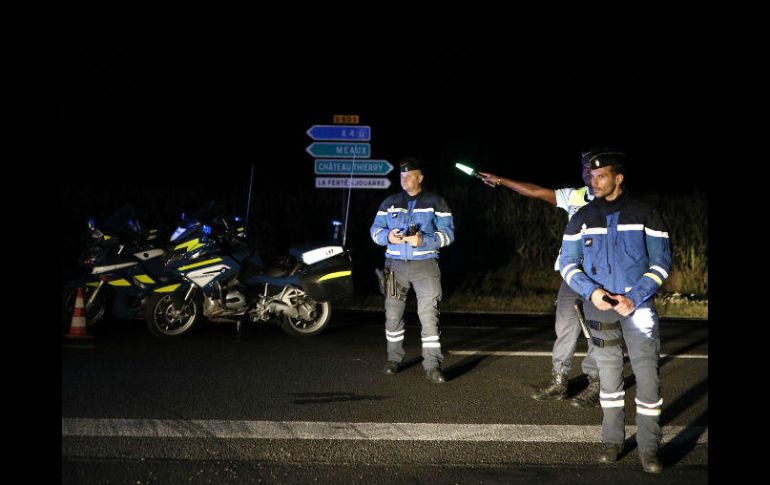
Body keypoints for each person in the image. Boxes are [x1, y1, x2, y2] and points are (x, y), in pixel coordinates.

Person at [559, 149, 671, 473]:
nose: (594, 181)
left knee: (648, 377)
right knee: (609, 378)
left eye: (601, 176)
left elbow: (661, 263)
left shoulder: (646, 213)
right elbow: (568, 263)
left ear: (618, 178)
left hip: (638, 308)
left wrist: (634, 297)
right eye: (591, 176)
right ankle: (612, 441)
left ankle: (649, 449)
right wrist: (591, 291)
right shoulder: (581, 218)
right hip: (600, 309)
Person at [476, 154, 600, 407]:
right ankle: (560, 381)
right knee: (565, 328)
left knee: (598, 330)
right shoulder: (575, 196)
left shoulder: (615, 202)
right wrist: (500, 180)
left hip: (601, 276)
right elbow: (536, 191)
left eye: (594, 169)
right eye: (585, 169)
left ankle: (597, 383)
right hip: (572, 273)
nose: (589, 174)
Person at [369, 157, 455, 384]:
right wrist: (387, 236)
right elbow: (375, 230)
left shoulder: (436, 202)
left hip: (425, 266)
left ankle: (433, 365)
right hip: (394, 267)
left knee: (428, 316)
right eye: (401, 176)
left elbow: (449, 235)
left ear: (420, 177)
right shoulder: (389, 202)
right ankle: (393, 359)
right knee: (393, 313)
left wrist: (424, 241)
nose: (404, 179)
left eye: (409, 175)